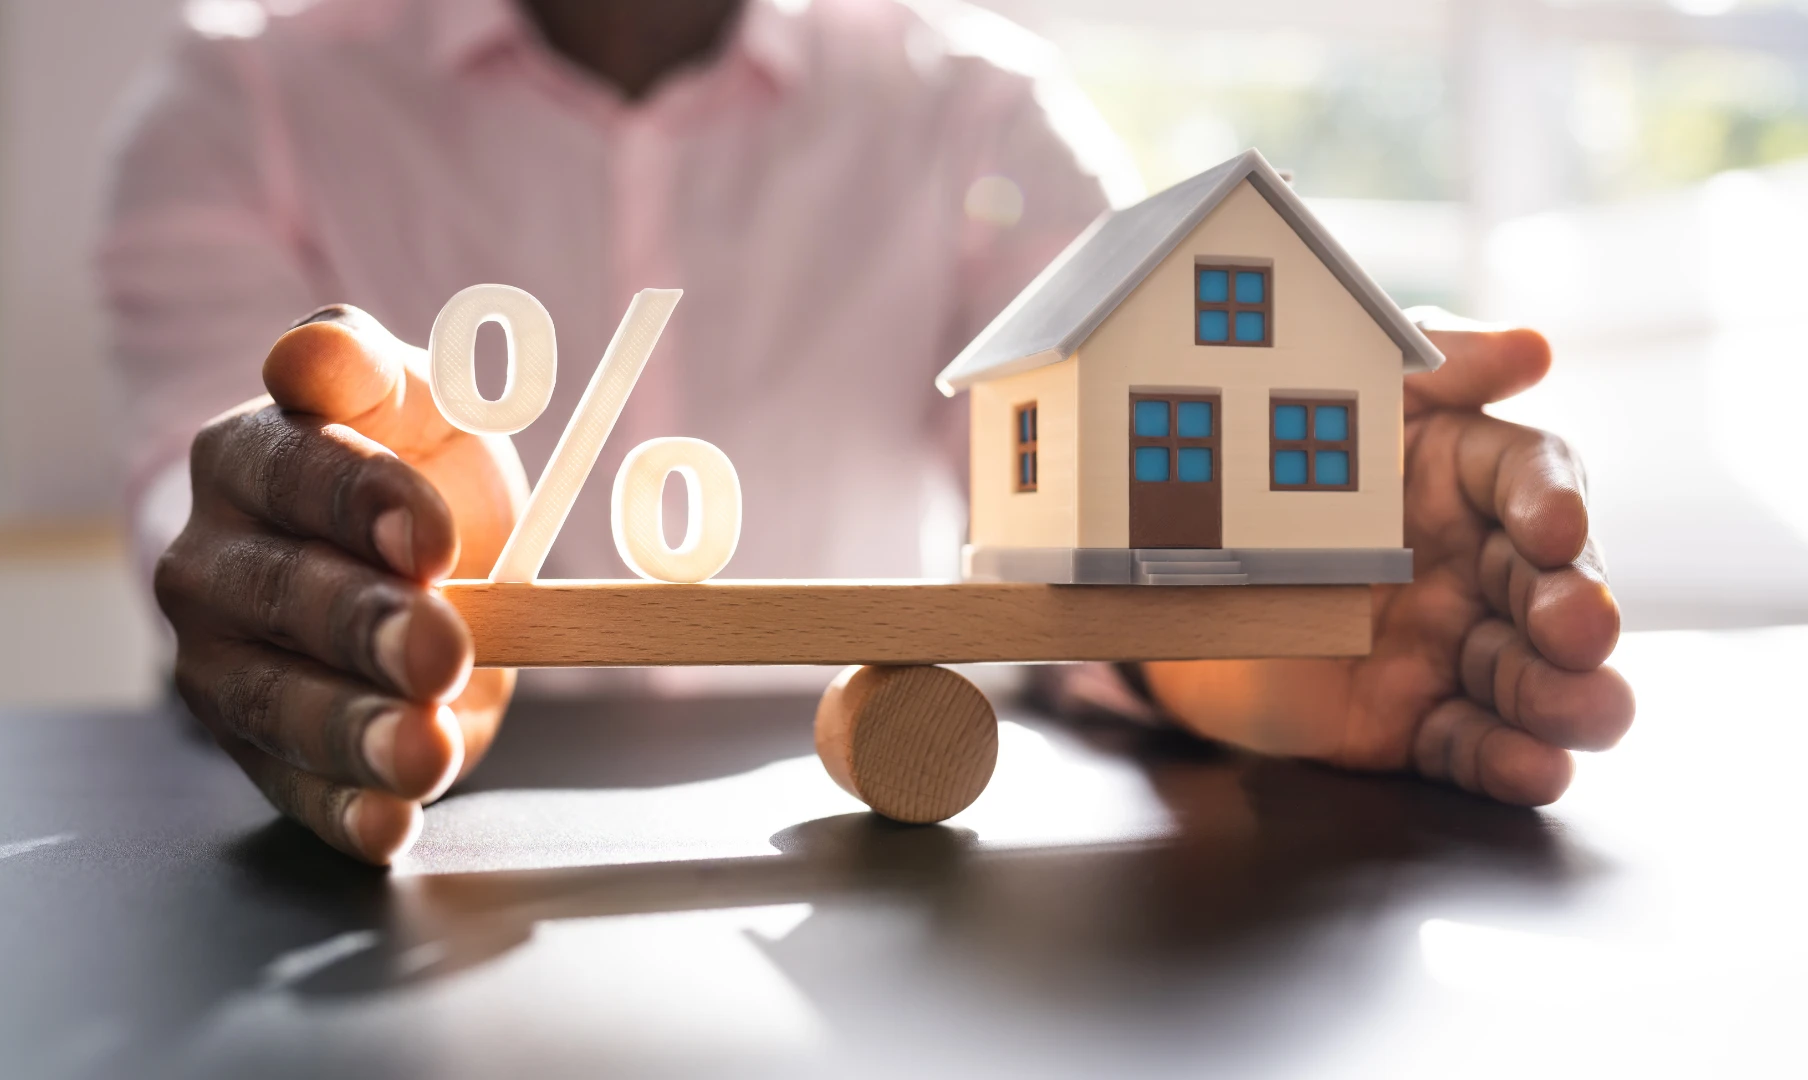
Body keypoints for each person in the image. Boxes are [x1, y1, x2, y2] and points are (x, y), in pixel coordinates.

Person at [105, 0, 1633, 864]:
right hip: (376, 829)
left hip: (862, 803)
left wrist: (1256, 604)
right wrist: (279, 531)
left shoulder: (973, 109)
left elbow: (1079, 472)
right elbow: (204, 486)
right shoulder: (245, 96)